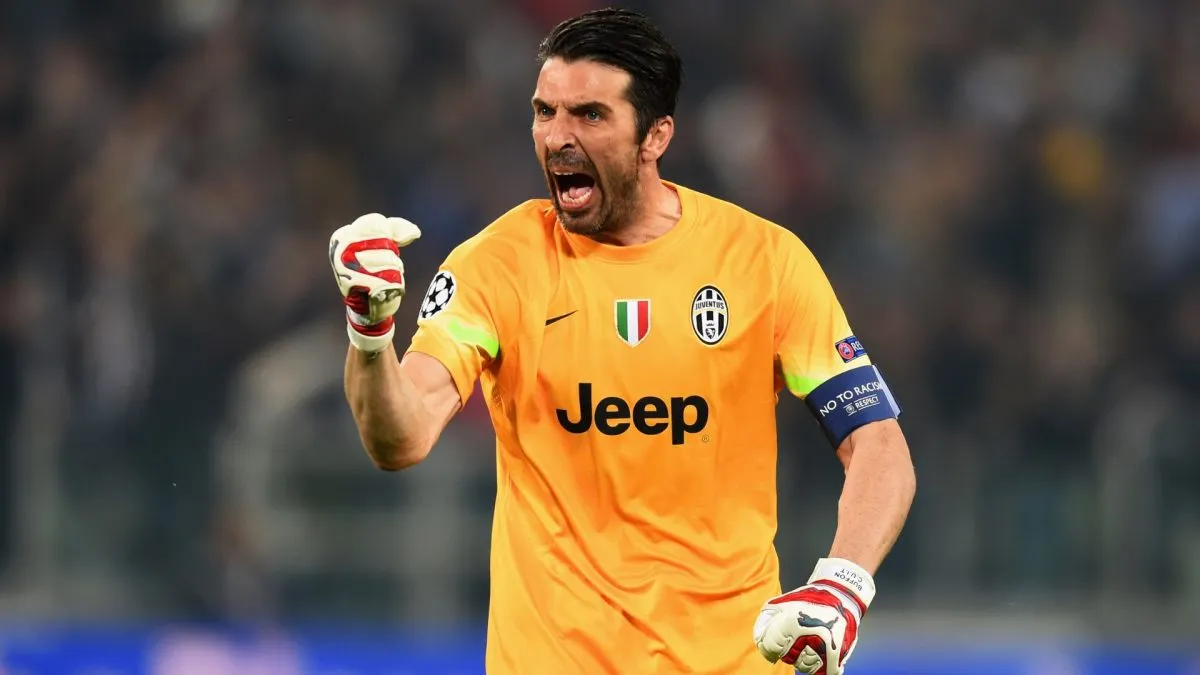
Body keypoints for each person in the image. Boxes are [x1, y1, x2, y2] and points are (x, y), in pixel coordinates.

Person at [328, 8, 915, 674]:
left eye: (590, 115)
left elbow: (878, 443)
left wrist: (842, 585)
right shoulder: (498, 265)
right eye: (545, 112)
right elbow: (401, 438)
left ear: (655, 134)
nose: (558, 137)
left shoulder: (763, 262)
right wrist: (370, 334)